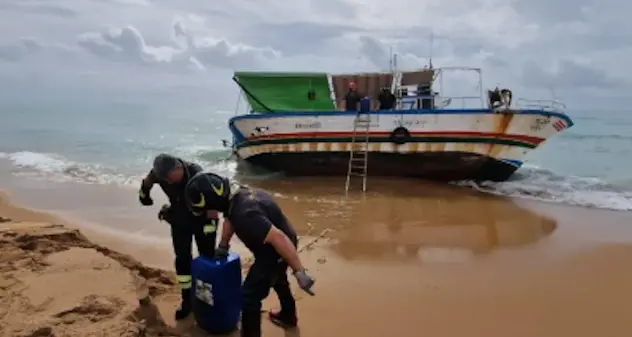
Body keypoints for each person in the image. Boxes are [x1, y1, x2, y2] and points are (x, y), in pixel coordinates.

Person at [184, 172, 315, 337]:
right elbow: (229, 219)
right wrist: (223, 246)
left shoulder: (246, 215)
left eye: (207, 210)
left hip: (277, 249)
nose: (209, 215)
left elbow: (278, 239)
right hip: (284, 238)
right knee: (279, 279)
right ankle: (288, 316)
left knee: (249, 297)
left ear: (213, 201)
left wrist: (299, 271)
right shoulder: (237, 196)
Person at [138, 154, 218, 320]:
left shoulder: (197, 175)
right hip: (179, 219)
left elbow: (213, 207)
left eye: (169, 178)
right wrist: (144, 195)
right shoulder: (160, 174)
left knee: (207, 259)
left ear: (179, 168)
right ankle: (187, 299)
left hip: (201, 219)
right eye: (163, 179)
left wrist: (209, 230)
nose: (167, 182)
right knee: (182, 259)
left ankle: (205, 298)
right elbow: (147, 182)